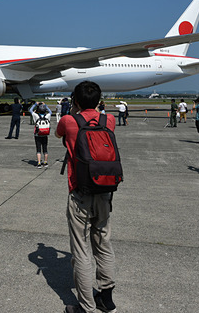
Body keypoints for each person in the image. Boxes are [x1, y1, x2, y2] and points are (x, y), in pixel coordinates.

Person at [55, 81, 117, 313]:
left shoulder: (69, 121)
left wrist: (73, 110)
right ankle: (106, 298)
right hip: (104, 190)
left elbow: (58, 133)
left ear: (76, 100)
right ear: (99, 100)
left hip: (79, 191)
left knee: (81, 249)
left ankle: (86, 307)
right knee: (103, 243)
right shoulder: (108, 120)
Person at [30, 102, 50, 169]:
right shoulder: (47, 116)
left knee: (38, 149)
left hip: (37, 135)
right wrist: (45, 105)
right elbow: (50, 112)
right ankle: (45, 162)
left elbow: (30, 110)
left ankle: (38, 163)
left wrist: (35, 104)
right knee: (45, 149)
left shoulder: (36, 116)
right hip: (45, 134)